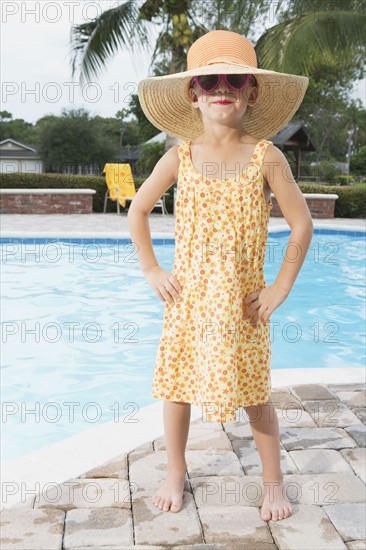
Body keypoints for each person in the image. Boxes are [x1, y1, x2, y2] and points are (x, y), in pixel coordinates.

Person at [128, 30, 314, 521]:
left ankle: (273, 484)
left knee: (255, 395)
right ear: (194, 92)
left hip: (242, 303)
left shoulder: (266, 157)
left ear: (252, 90)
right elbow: (138, 211)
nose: (222, 87)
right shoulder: (180, 156)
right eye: (210, 80)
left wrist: (280, 286)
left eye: (235, 78)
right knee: (177, 386)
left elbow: (302, 224)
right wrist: (151, 268)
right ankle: (174, 470)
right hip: (189, 301)